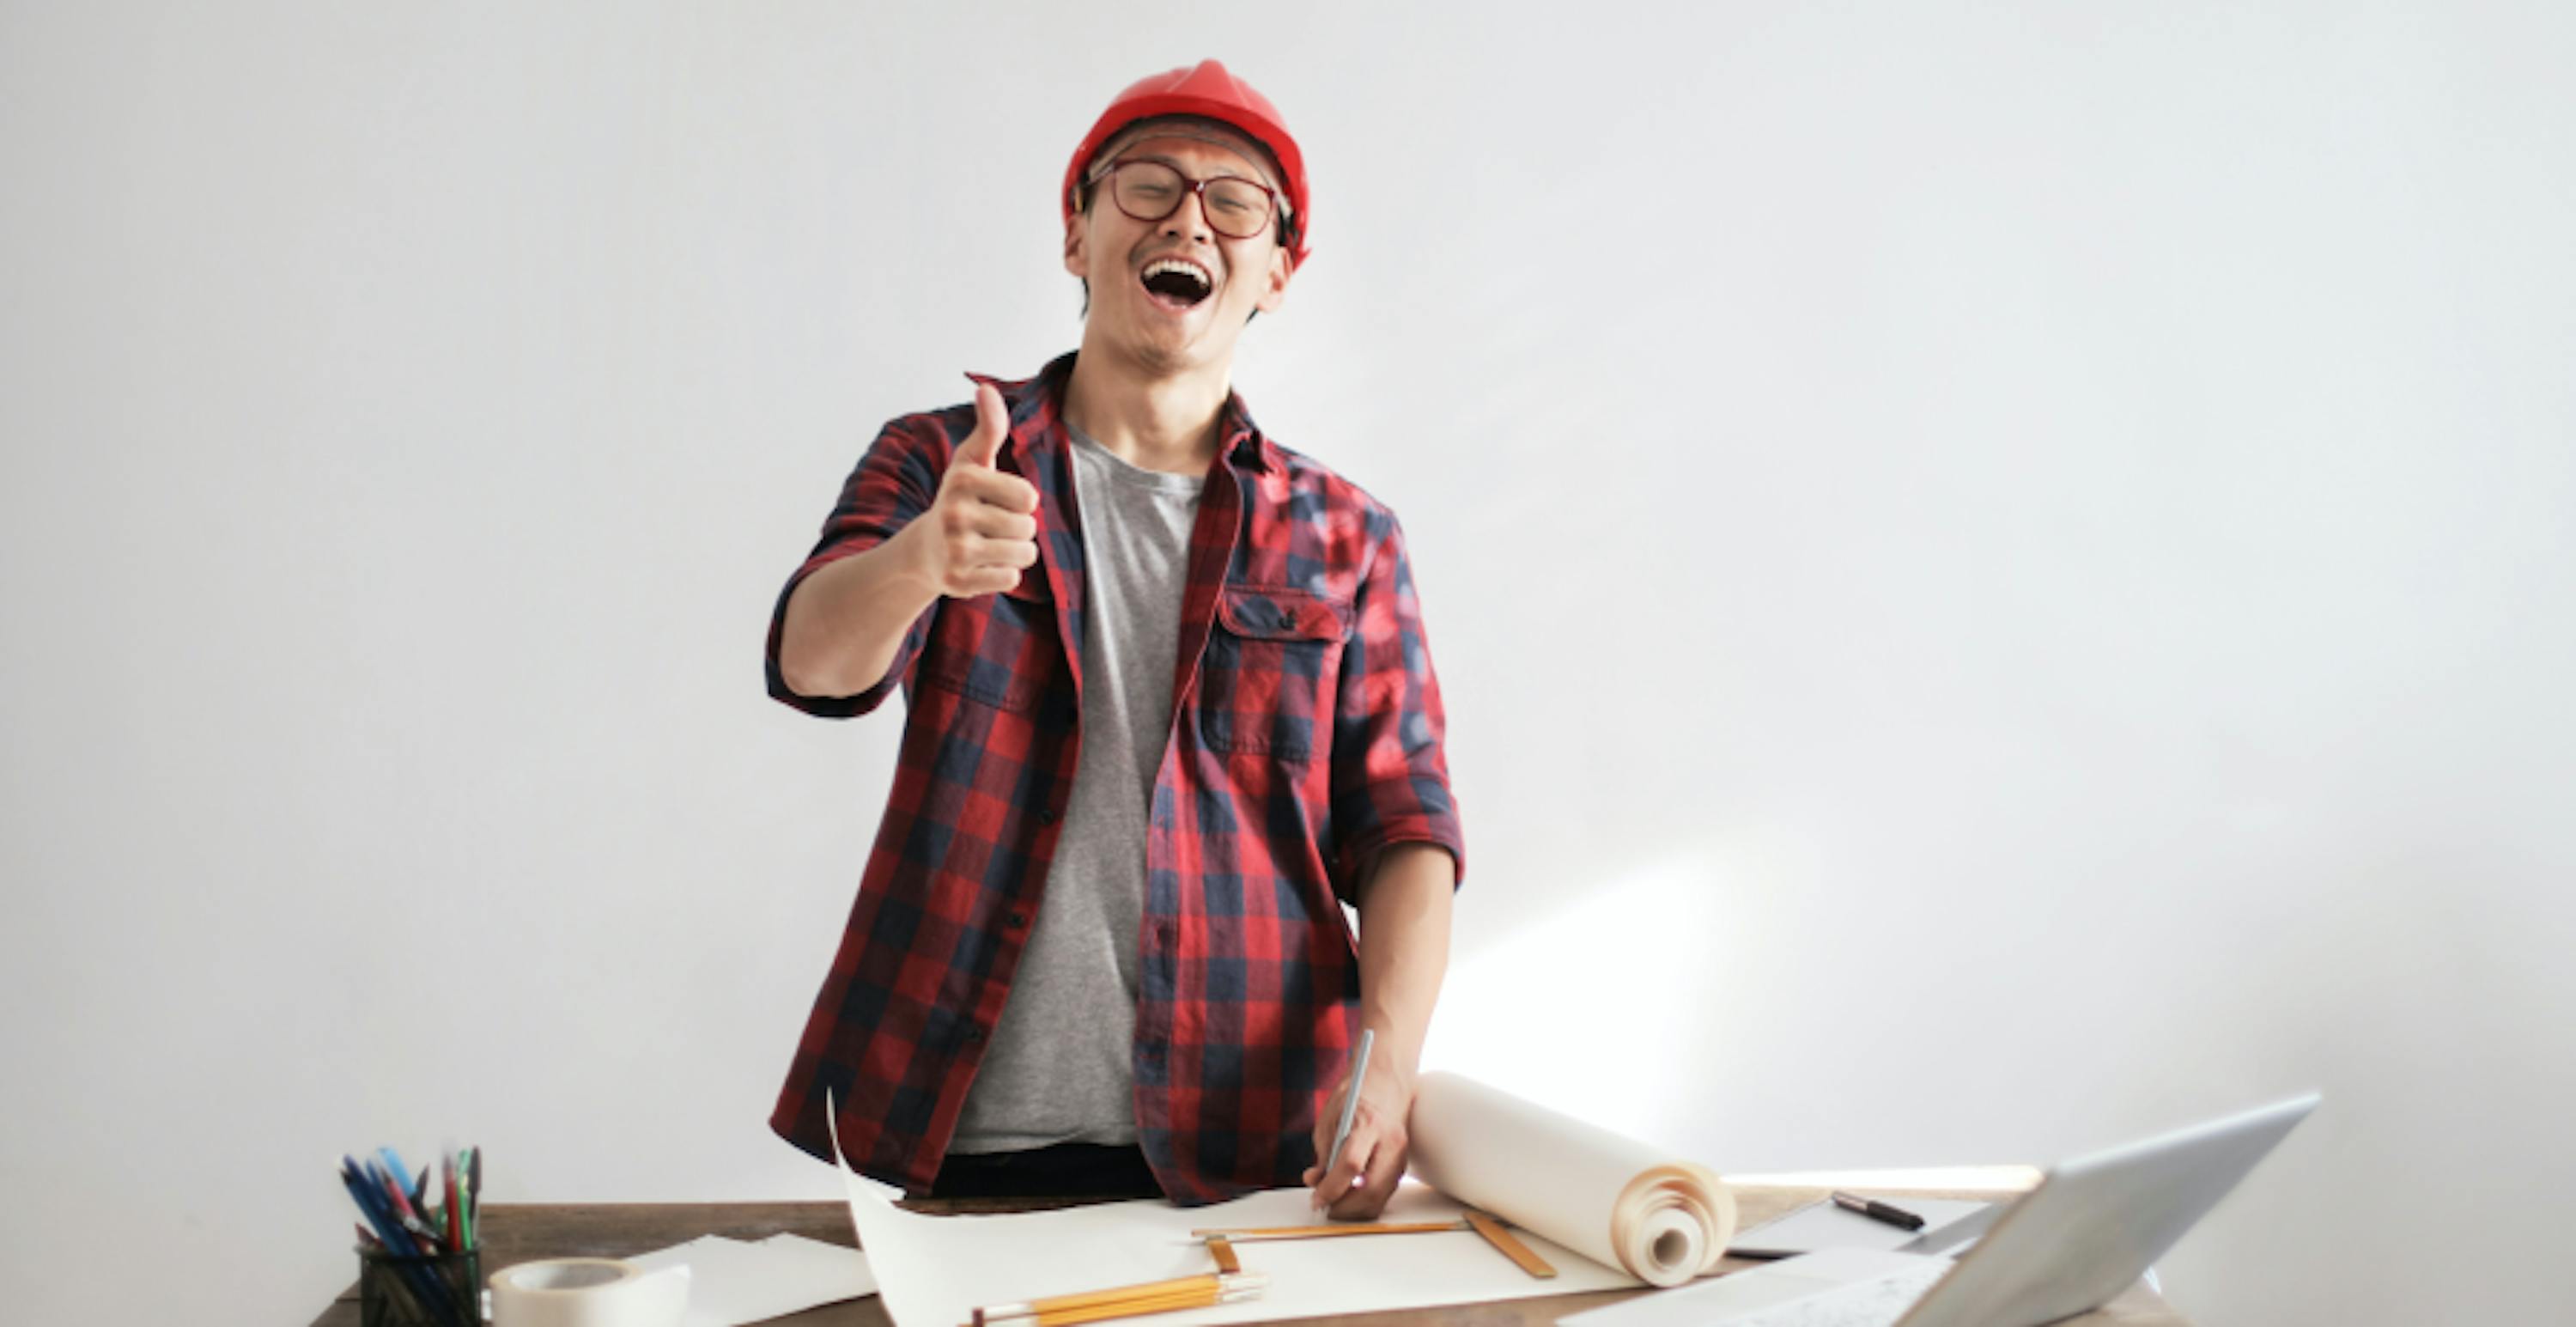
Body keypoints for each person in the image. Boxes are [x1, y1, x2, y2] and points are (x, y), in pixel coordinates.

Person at [762, 59, 1462, 1218]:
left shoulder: (1349, 536)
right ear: (1076, 234)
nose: (1188, 215)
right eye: (1146, 184)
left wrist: (1387, 1075)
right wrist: (919, 563)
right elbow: (809, 660)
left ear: (1279, 273)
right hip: (974, 1146)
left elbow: (1407, 833)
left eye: (1234, 200)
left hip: (1258, 1155)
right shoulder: (952, 468)